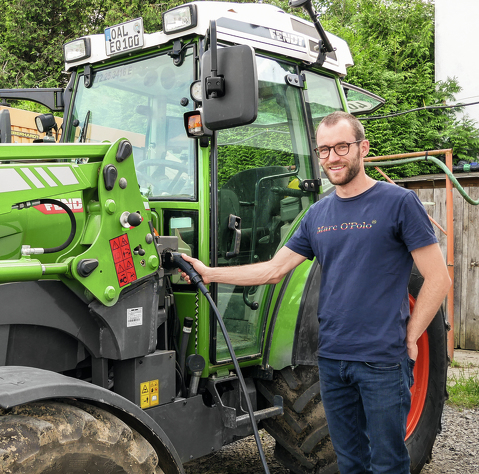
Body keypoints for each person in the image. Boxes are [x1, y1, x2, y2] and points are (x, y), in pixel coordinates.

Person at [180, 111, 451, 473]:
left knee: (388, 463)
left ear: (362, 148)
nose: (332, 157)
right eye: (324, 150)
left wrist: (413, 336)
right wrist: (210, 272)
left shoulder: (398, 203)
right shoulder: (318, 215)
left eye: (342, 146)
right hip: (332, 361)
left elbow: (438, 279)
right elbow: (274, 270)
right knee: (349, 462)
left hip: (382, 360)